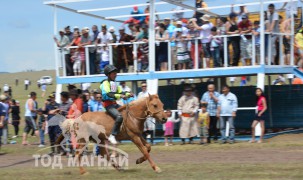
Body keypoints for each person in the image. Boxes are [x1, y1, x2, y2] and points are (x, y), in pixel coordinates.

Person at [100, 65, 132, 145]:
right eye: (114, 73)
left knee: (128, 112)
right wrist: (120, 96)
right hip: (108, 105)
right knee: (119, 116)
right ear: (108, 74)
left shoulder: (114, 83)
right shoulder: (105, 83)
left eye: (116, 73)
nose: (115, 74)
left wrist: (128, 94)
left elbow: (121, 92)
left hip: (114, 104)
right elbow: (109, 94)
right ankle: (112, 135)